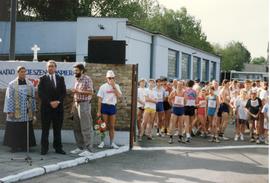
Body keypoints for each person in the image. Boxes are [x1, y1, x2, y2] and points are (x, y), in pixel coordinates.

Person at [3, 66, 36, 152]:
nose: (23, 73)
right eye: (21, 71)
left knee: (25, 129)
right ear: (18, 73)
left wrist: (33, 111)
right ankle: (14, 146)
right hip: (15, 111)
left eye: (24, 72)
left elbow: (33, 98)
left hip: (26, 111)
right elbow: (9, 98)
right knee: (15, 129)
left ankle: (24, 146)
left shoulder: (30, 84)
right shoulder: (12, 84)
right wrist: (9, 111)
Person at [38, 60, 66, 155]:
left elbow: (63, 92)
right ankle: (44, 148)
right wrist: (50, 102)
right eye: (49, 66)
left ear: (55, 68)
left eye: (52, 66)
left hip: (58, 109)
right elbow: (40, 93)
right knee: (45, 129)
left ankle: (58, 148)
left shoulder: (61, 78)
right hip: (46, 108)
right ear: (47, 68)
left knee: (57, 129)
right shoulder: (42, 78)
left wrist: (58, 101)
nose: (51, 68)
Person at [70, 64, 94, 157]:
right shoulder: (76, 80)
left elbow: (91, 92)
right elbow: (75, 94)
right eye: (74, 70)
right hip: (76, 104)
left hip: (84, 104)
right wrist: (73, 106)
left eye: (76, 70)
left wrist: (78, 91)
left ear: (81, 70)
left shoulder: (87, 79)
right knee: (77, 127)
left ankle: (89, 149)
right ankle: (80, 147)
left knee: (86, 127)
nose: (75, 72)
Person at [97, 70, 122, 149]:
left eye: (112, 78)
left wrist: (114, 86)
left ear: (114, 78)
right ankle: (102, 142)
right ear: (106, 78)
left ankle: (112, 143)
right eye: (109, 78)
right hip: (104, 106)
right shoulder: (103, 86)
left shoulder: (116, 86)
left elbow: (119, 96)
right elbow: (100, 100)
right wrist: (98, 111)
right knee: (103, 125)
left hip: (112, 106)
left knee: (112, 126)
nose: (111, 79)